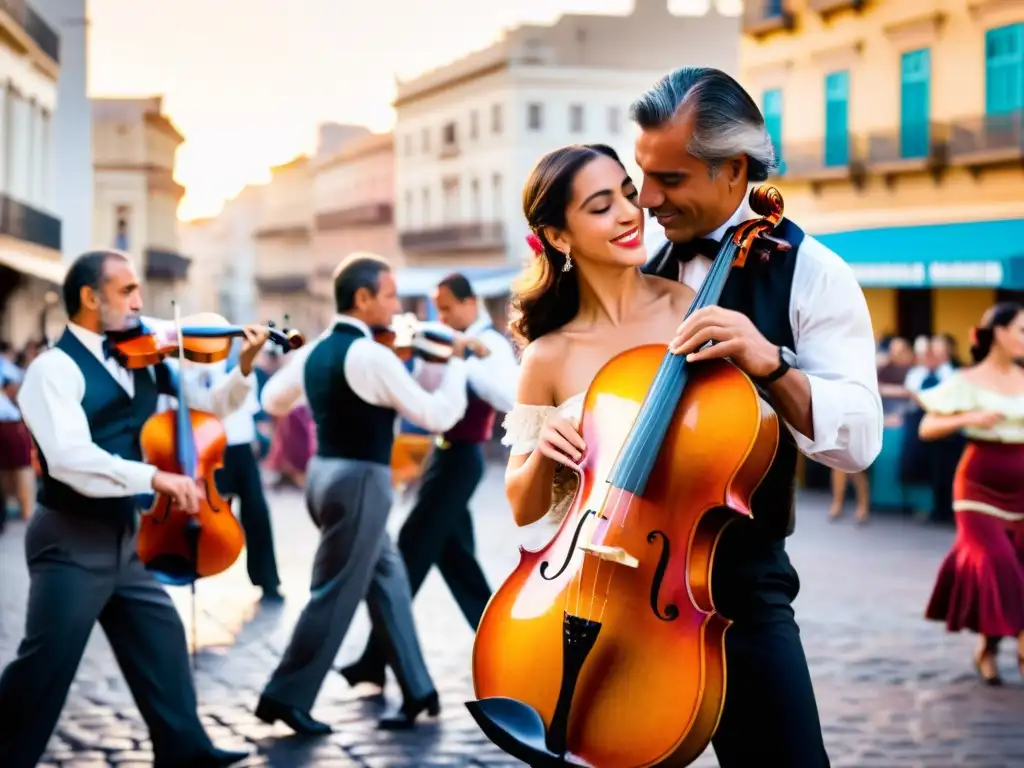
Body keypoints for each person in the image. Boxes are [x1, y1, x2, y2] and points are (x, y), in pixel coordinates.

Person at [503, 66, 882, 768]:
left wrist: (772, 366)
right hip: (613, 583)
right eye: (635, 178)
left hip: (738, 586)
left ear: (734, 170)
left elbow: (857, 441)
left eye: (665, 180)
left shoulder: (813, 273)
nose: (643, 202)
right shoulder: (642, 264)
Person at [0, 249, 269, 768]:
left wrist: (244, 366)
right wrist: (155, 477)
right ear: (89, 297)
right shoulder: (52, 370)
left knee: (161, 635)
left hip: (127, 537)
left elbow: (210, 410)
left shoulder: (143, 358)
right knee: (44, 668)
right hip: (70, 541)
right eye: (127, 291)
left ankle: (185, 750)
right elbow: (71, 458)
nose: (140, 303)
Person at [255, 253, 470, 735]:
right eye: (390, 294)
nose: (396, 305)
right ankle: (284, 697)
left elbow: (272, 401)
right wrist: (455, 365)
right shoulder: (372, 354)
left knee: (388, 578)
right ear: (363, 298)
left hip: (321, 476)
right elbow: (435, 416)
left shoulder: (313, 352)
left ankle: (419, 690)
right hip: (361, 485)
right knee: (332, 594)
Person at [342, 272, 518, 692]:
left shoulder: (488, 344)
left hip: (462, 459)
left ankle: (374, 658)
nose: (441, 317)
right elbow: (423, 389)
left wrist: (463, 361)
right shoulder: (447, 341)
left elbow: (508, 397)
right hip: (443, 455)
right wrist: (434, 356)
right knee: (457, 563)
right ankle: (505, 649)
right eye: (437, 309)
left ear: (468, 303)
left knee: (410, 552)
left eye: (446, 308)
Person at [918, 302, 1024, 685]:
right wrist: (969, 418)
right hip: (978, 487)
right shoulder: (966, 381)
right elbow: (928, 427)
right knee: (997, 562)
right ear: (998, 333)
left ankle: (988, 648)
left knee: (1017, 567)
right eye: (1022, 330)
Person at [183, 343, 283, 602]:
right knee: (199, 514)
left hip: (239, 446)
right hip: (205, 448)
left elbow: (252, 411)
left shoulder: (240, 368)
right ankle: (192, 567)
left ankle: (266, 579)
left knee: (257, 512)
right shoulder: (186, 370)